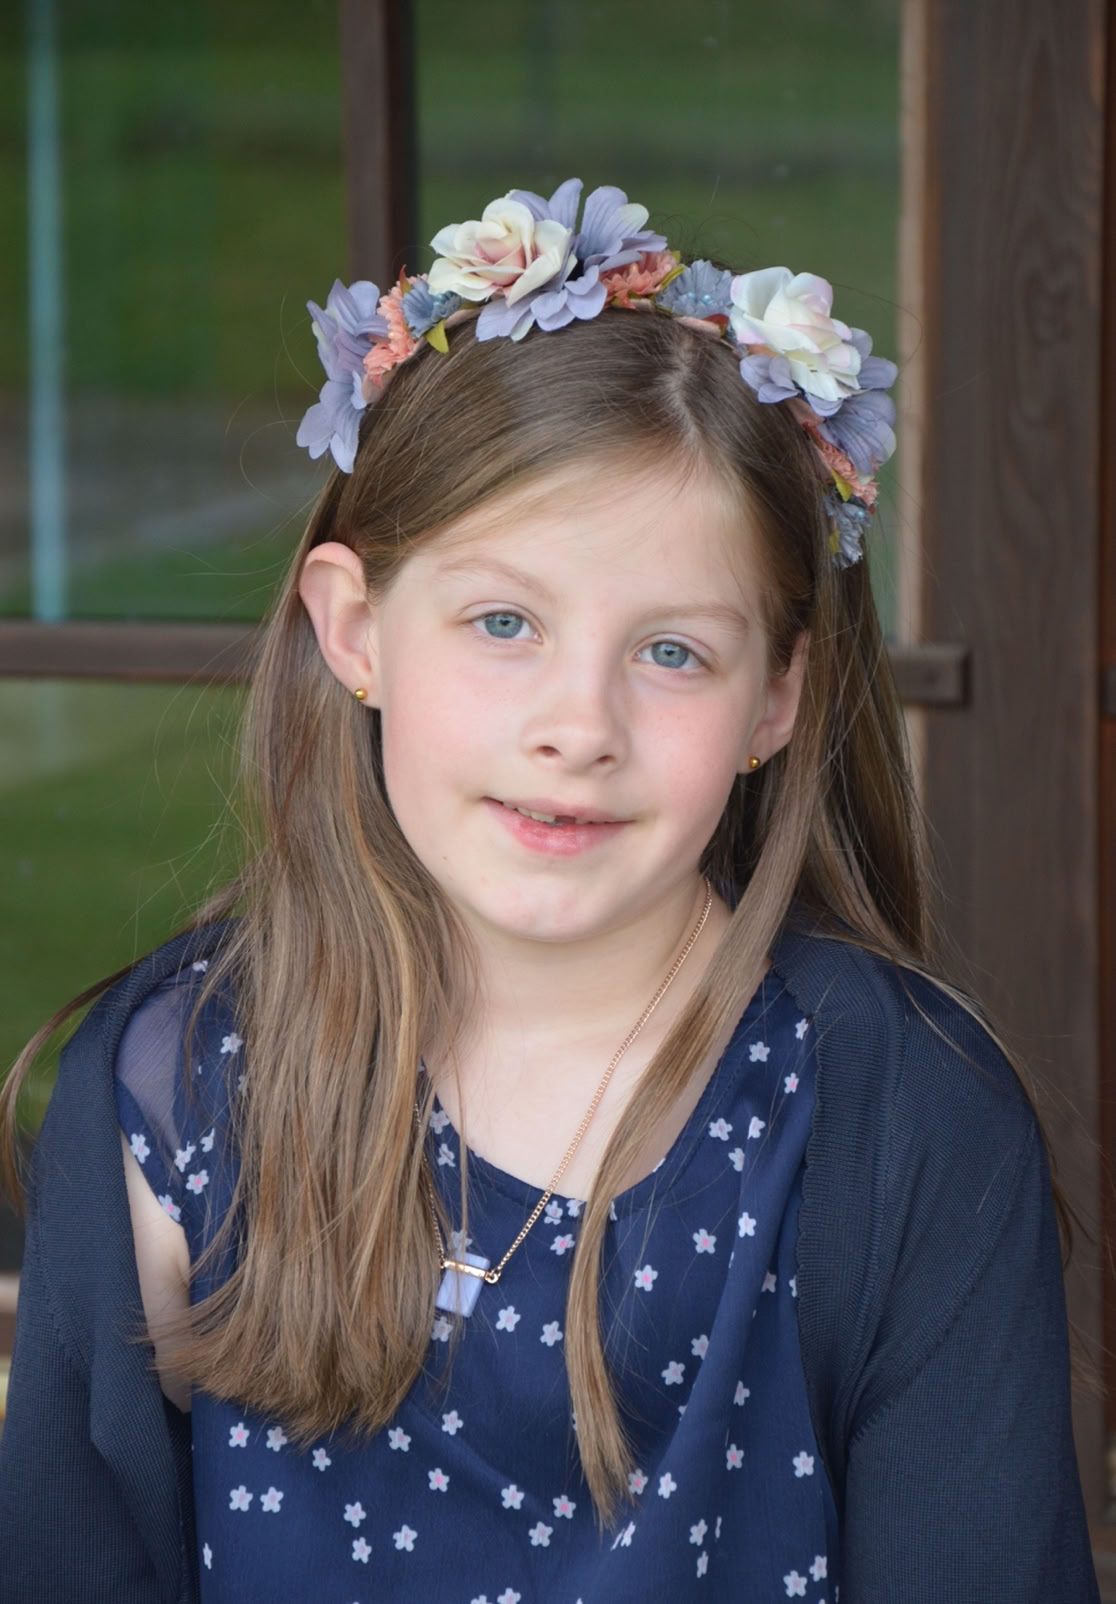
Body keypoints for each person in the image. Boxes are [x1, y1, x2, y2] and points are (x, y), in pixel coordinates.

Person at [0, 179, 1101, 1604]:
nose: (579, 726)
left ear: (777, 697)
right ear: (356, 629)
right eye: (505, 622)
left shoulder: (902, 1120)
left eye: (672, 653)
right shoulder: (175, 1093)